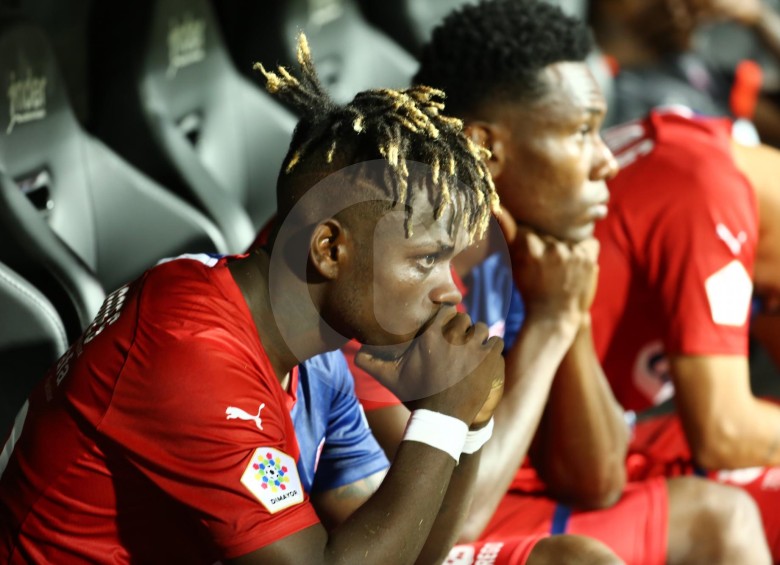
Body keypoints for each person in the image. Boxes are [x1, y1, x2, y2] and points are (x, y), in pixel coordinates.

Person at [0, 34, 510, 564]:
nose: (450, 289)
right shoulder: (190, 349)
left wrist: (469, 424)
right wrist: (442, 419)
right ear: (330, 249)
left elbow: (401, 553)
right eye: (426, 259)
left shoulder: (316, 362)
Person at [342, 1, 773, 564]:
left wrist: (569, 313)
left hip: (496, 493)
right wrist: (549, 323)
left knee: (723, 514)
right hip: (405, 532)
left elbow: (596, 480)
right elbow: (448, 517)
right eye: (579, 133)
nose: (606, 162)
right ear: (487, 149)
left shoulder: (514, 249)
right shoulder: (387, 275)